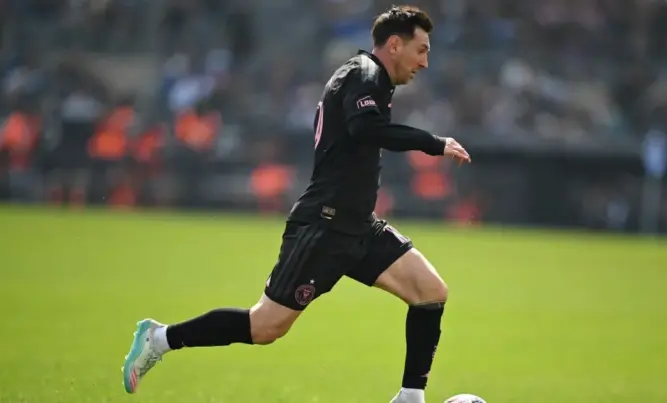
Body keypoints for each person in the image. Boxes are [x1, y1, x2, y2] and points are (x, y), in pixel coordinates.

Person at [122, 6, 471, 403]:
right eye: (421, 50)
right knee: (265, 326)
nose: (425, 62)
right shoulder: (364, 73)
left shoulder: (370, 79)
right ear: (394, 44)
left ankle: (410, 398)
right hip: (325, 225)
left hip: (358, 224)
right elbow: (365, 128)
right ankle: (159, 338)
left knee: (430, 292)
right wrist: (434, 143)